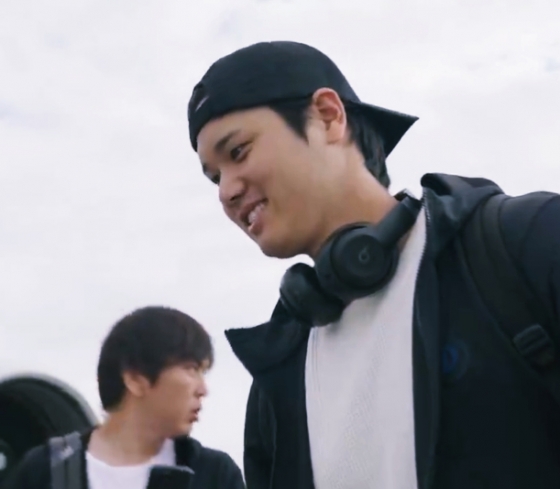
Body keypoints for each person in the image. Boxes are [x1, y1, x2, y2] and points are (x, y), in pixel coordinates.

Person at [186, 41, 560, 489]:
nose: (226, 191)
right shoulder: (275, 386)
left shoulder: (525, 242)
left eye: (238, 152)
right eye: (215, 177)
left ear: (328, 116)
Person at [4, 306, 245, 489]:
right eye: (191, 369)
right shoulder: (44, 470)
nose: (203, 389)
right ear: (135, 378)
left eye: (203, 372)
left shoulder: (214, 474)